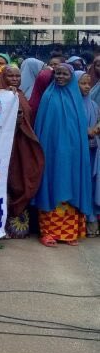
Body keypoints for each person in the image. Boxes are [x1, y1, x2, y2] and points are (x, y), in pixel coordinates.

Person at [33, 63, 93, 246]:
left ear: (71, 77)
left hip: (74, 154)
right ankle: (48, 232)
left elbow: (80, 130)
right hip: (52, 153)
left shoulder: (76, 99)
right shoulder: (48, 97)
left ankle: (68, 234)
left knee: (72, 186)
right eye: (57, 73)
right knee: (52, 187)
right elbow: (43, 128)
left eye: (64, 74)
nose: (60, 77)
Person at [0, 65, 45, 239]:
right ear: (3, 77)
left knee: (20, 179)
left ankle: (14, 221)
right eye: (11, 76)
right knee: (5, 183)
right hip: (5, 147)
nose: (15, 79)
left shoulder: (21, 94)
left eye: (18, 76)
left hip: (21, 145)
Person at [75, 71, 100, 237]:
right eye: (82, 83)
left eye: (88, 83)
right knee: (80, 184)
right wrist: (86, 131)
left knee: (91, 184)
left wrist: (96, 128)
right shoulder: (71, 105)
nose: (86, 87)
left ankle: (91, 221)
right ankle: (78, 224)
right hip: (77, 151)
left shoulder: (93, 105)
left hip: (92, 150)